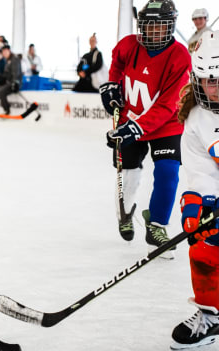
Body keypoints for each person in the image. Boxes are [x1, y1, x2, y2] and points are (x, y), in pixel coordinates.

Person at [100, 0, 191, 258]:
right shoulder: (128, 44)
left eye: (159, 27)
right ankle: (126, 212)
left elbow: (168, 104)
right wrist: (112, 85)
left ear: (170, 27)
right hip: (130, 118)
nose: (152, 32)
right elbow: (117, 66)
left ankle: (157, 226)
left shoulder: (180, 57)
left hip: (166, 124)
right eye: (147, 26)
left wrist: (137, 128)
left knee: (168, 173)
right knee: (128, 175)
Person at [170, 29, 219, 350]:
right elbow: (201, 170)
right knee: (203, 246)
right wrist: (197, 203)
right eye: (205, 80)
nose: (209, 88)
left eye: (215, 79)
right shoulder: (197, 118)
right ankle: (212, 316)